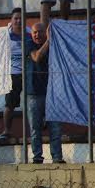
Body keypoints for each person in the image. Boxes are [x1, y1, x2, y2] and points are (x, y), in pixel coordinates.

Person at [24, 21, 63, 163]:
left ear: (45, 33)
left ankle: (57, 157)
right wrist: (48, 41)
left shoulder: (55, 46)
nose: (37, 35)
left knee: (56, 129)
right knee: (35, 129)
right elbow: (37, 57)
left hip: (52, 94)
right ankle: (37, 157)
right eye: (34, 32)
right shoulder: (29, 45)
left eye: (40, 32)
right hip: (33, 94)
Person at [0, 8, 23, 141]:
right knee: (9, 104)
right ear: (11, 21)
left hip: (28, 73)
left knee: (34, 102)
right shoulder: (5, 35)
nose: (18, 21)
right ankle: (6, 130)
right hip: (12, 74)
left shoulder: (29, 33)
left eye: (20, 18)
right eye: (15, 18)